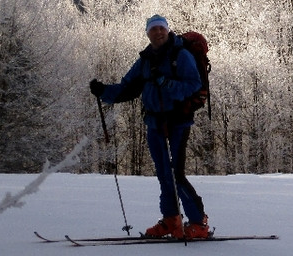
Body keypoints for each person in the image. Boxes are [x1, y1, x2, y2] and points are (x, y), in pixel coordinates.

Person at [90, 15, 210, 239]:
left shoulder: (180, 55)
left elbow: (193, 84)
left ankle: (198, 223)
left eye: (161, 28)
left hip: (177, 121)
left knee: (176, 174)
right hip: (154, 122)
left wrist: (166, 83)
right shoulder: (145, 60)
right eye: (153, 29)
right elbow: (128, 88)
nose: (158, 33)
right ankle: (171, 220)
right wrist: (103, 91)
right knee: (164, 173)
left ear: (167, 30)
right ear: (148, 33)